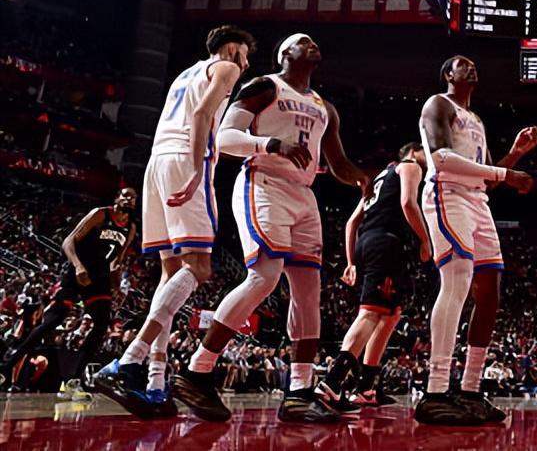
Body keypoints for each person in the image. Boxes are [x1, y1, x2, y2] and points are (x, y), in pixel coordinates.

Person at [173, 33, 369, 423]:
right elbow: (226, 137)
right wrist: (272, 145)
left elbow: (338, 163)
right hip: (263, 183)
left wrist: (365, 179)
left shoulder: (324, 107)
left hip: (304, 195)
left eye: (315, 42)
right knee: (264, 276)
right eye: (303, 42)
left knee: (309, 293)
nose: (312, 45)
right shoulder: (265, 86)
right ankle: (197, 370)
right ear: (285, 54)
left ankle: (299, 392)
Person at [95, 26, 255, 417]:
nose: (247, 63)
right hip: (186, 159)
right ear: (230, 49)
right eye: (245, 54)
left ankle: (154, 380)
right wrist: (199, 169)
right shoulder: (226, 68)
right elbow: (202, 114)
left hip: (157, 163)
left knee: (171, 274)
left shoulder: (185, 74)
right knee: (199, 268)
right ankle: (128, 360)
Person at [415, 55, 537, 425]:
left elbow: (485, 178)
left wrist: (514, 154)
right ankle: (435, 391)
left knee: (490, 291)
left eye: (473, 64)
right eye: (461, 64)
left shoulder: (477, 120)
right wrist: (506, 173)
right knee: (457, 281)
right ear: (447, 74)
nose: (470, 68)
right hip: (447, 194)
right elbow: (441, 159)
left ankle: (469, 390)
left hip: (477, 201)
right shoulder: (439, 104)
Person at [318, 142, 430, 410]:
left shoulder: (381, 178)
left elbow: (352, 223)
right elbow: (408, 203)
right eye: (425, 151)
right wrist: (425, 240)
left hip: (370, 242)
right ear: (412, 151)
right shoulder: (410, 166)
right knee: (370, 313)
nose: (430, 156)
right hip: (386, 243)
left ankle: (366, 387)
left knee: (391, 314)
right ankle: (331, 383)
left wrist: (351, 261)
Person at [1, 188, 138, 398]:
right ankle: (6, 366)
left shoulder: (130, 228)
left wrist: (117, 286)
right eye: (125, 195)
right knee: (53, 321)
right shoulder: (101, 214)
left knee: (102, 324)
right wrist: (78, 266)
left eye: (133, 198)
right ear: (117, 198)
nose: (129, 199)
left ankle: (73, 381)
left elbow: (116, 262)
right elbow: (68, 241)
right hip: (77, 270)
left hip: (99, 278)